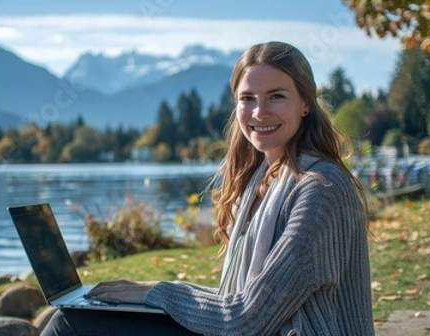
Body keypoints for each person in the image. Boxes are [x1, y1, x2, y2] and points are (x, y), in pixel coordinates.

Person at [41, 41, 374, 336]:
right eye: (247, 99)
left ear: (305, 103)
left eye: (276, 96)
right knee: (78, 316)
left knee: (70, 325)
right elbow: (249, 304)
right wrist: (148, 292)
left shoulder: (319, 190)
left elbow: (245, 319)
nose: (259, 112)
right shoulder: (265, 178)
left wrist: (158, 292)